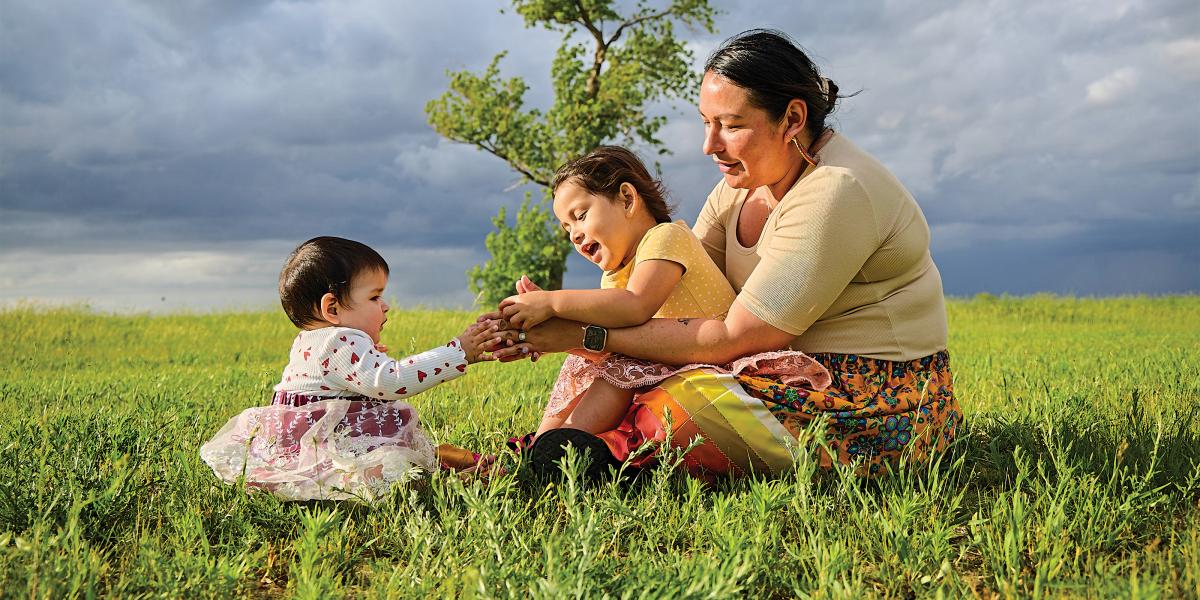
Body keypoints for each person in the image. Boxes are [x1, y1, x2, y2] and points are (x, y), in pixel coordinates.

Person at [492, 29, 961, 478]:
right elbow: (683, 295)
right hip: (769, 374)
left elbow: (734, 337)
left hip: (870, 397)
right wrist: (566, 330)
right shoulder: (735, 190)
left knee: (685, 402)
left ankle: (597, 458)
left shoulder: (836, 191)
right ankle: (557, 451)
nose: (709, 145)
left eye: (731, 126)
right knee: (635, 376)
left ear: (793, 119)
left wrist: (586, 334)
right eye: (706, 123)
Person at [495, 146, 829, 452]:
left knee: (623, 366)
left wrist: (553, 303)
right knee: (590, 363)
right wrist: (553, 331)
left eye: (580, 215)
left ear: (627, 199)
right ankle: (543, 445)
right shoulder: (614, 274)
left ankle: (566, 445)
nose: (574, 234)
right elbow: (606, 343)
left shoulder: (665, 237)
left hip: (718, 362)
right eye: (566, 227)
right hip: (668, 360)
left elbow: (636, 306)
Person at [200, 236, 493, 501]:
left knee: (398, 466)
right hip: (329, 449)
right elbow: (390, 382)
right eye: (374, 297)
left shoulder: (314, 339)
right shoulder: (339, 340)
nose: (386, 305)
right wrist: (457, 353)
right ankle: (452, 477)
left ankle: (445, 465)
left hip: (310, 446)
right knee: (396, 477)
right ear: (333, 309)